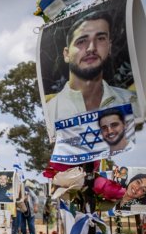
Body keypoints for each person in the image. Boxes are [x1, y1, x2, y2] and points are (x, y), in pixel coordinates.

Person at [44, 10, 137, 141]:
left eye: (100, 39)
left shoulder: (134, 102)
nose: (91, 48)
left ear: (109, 48)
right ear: (66, 54)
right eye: (81, 41)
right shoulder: (49, 111)